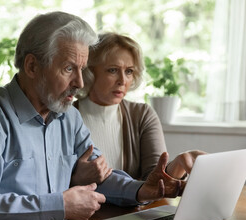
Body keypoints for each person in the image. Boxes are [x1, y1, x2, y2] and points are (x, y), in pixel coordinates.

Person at [0, 12, 202, 220]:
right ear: (32, 66)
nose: (80, 82)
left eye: (81, 69)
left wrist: (141, 190)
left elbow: (101, 178)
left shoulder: (68, 116)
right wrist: (60, 205)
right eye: (69, 68)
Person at [72, 32, 204, 183]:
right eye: (113, 70)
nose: (123, 80)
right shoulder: (64, 118)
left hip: (133, 207)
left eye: (129, 71)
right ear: (89, 72)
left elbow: (155, 178)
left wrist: (179, 164)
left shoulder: (142, 115)